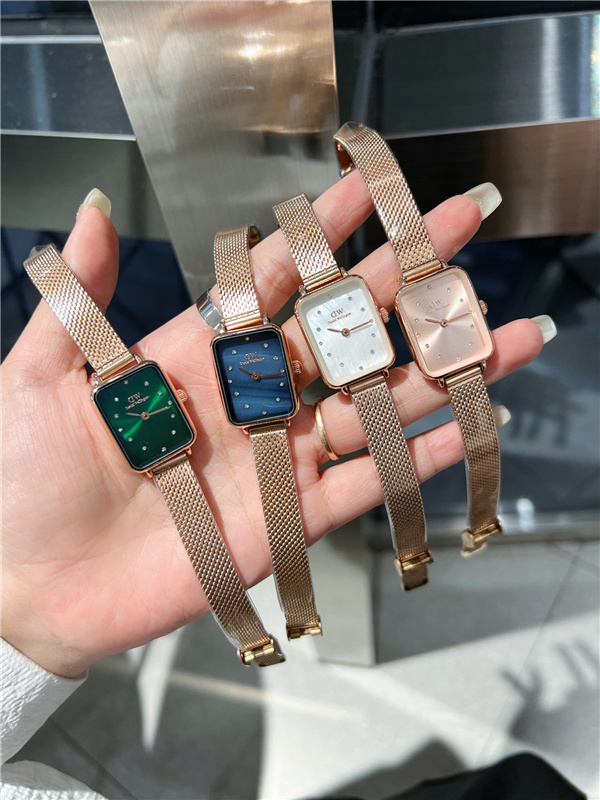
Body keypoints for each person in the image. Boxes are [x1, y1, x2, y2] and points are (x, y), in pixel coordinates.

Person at [1, 175, 554, 799]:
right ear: (177, 396)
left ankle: (331, 597)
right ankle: (320, 603)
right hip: (207, 441)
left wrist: (17, 613)